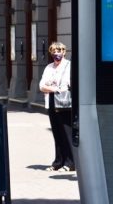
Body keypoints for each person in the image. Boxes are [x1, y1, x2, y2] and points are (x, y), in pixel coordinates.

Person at [39, 41, 75, 172]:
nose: (56, 53)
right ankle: (58, 162)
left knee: (66, 133)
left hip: (65, 103)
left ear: (64, 52)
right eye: (53, 51)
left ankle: (70, 162)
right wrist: (54, 88)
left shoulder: (69, 66)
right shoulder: (49, 67)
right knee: (57, 133)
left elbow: (68, 85)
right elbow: (41, 85)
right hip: (51, 102)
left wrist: (51, 87)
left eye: (59, 51)